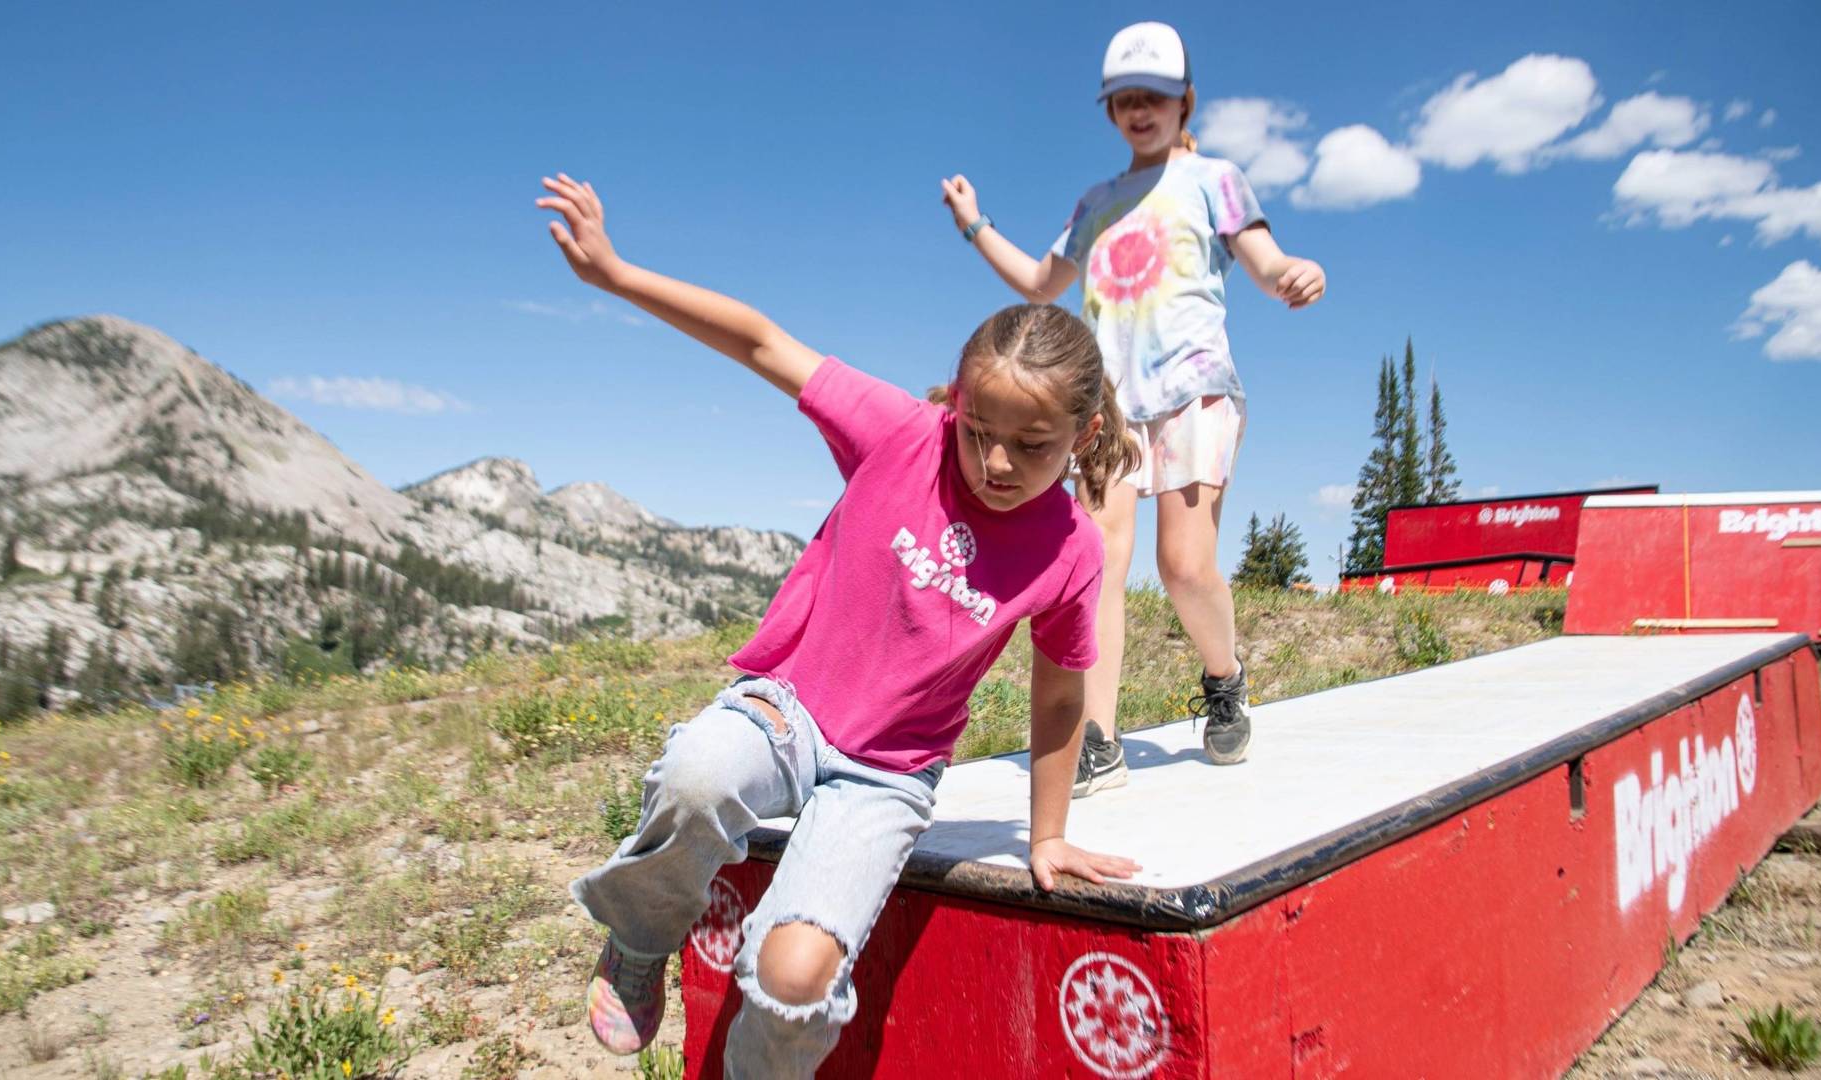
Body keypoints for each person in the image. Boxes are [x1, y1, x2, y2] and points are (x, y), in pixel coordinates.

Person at [534, 171, 1142, 1077]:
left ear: (1085, 434)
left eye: (1033, 445)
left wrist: (1046, 836)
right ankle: (638, 933)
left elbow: (1060, 696)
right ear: (956, 403)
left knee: (793, 975)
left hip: (887, 775)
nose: (996, 464)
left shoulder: (1071, 549)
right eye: (979, 432)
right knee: (701, 772)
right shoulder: (901, 433)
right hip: (787, 707)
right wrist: (619, 275)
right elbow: (761, 339)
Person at [941, 21, 1327, 796]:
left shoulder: (1216, 179)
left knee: (1183, 567)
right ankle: (1098, 738)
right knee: (1097, 565)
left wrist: (1291, 271)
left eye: (1154, 96)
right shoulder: (1098, 201)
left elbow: (1261, 256)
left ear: (1187, 101)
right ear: (1109, 110)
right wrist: (976, 225)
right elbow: (1041, 283)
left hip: (1193, 387)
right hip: (1107, 406)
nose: (1139, 110)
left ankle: (1225, 676)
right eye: (1123, 100)